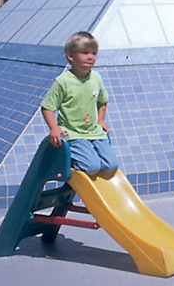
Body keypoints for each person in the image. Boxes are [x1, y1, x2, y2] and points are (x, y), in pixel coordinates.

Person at [40, 31, 120, 177]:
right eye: (84, 52)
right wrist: (54, 128)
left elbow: (102, 100)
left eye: (94, 53)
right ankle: (68, 159)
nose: (90, 57)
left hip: (94, 132)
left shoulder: (96, 78)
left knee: (111, 165)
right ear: (71, 56)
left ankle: (85, 154)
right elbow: (47, 107)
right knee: (91, 167)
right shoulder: (63, 81)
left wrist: (101, 120)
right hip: (73, 133)